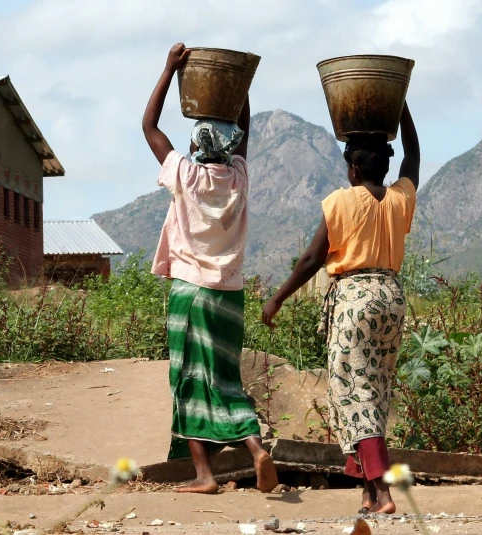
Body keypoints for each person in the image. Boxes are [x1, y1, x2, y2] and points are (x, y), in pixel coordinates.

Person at [262, 103, 420, 514]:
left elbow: (312, 259)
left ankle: (383, 492)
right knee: (374, 391)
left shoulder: (342, 202)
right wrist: (400, 108)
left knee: (356, 392)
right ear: (384, 168)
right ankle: (368, 492)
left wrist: (278, 298)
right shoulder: (400, 198)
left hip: (355, 300)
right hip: (392, 297)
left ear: (352, 170)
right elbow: (414, 156)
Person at [142, 42, 278, 494]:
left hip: (191, 290)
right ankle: (256, 448)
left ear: (196, 142)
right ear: (230, 146)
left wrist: (168, 71)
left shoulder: (184, 174)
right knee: (225, 376)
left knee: (189, 378)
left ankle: (204, 475)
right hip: (229, 295)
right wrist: (238, 85)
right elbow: (245, 126)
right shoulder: (238, 176)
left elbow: (149, 126)